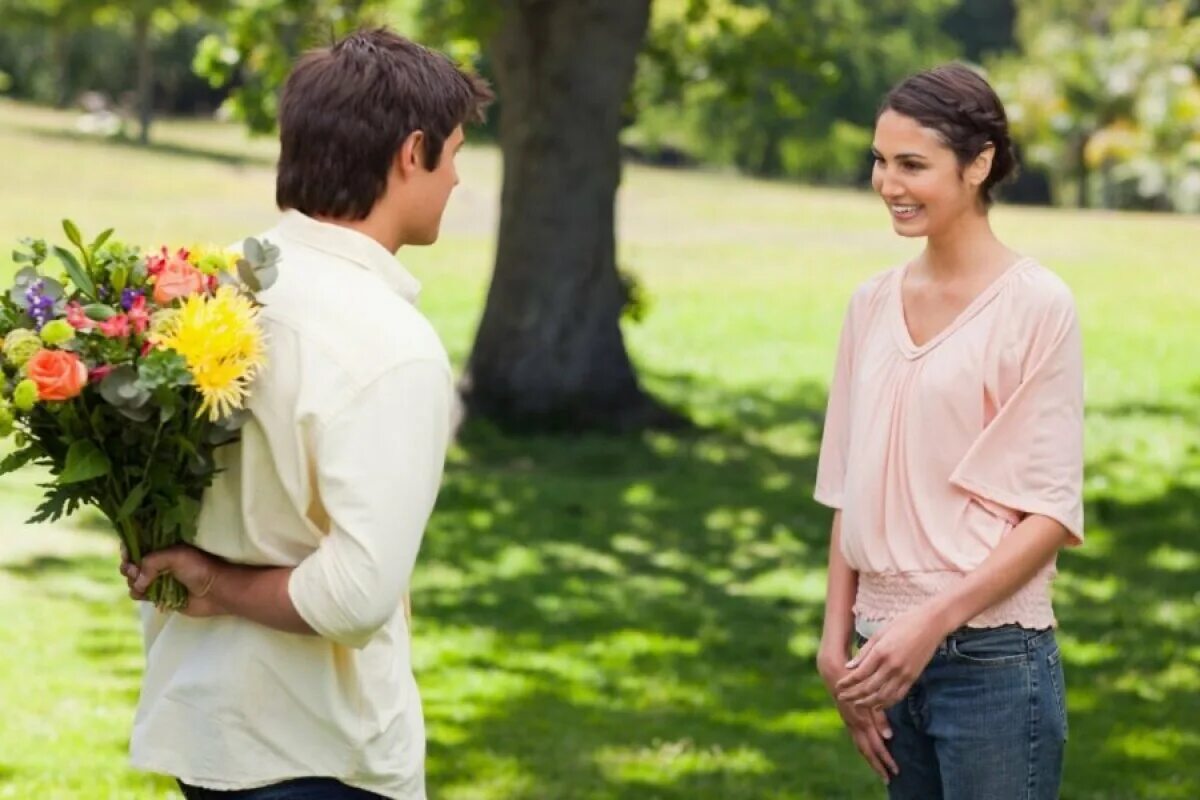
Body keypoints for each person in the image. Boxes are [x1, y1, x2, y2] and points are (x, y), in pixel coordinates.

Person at [119, 29, 492, 799]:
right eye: (453, 153)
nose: (457, 179)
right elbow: (357, 597)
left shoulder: (197, 295)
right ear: (410, 152)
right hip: (321, 754)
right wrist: (216, 585)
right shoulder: (392, 347)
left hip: (207, 735)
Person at [813, 63, 1083, 799]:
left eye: (912, 165)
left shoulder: (1036, 306)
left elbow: (1051, 513)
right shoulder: (869, 305)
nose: (887, 183)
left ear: (979, 164)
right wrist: (836, 643)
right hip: (883, 658)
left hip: (993, 664)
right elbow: (847, 483)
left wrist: (930, 624)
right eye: (879, 161)